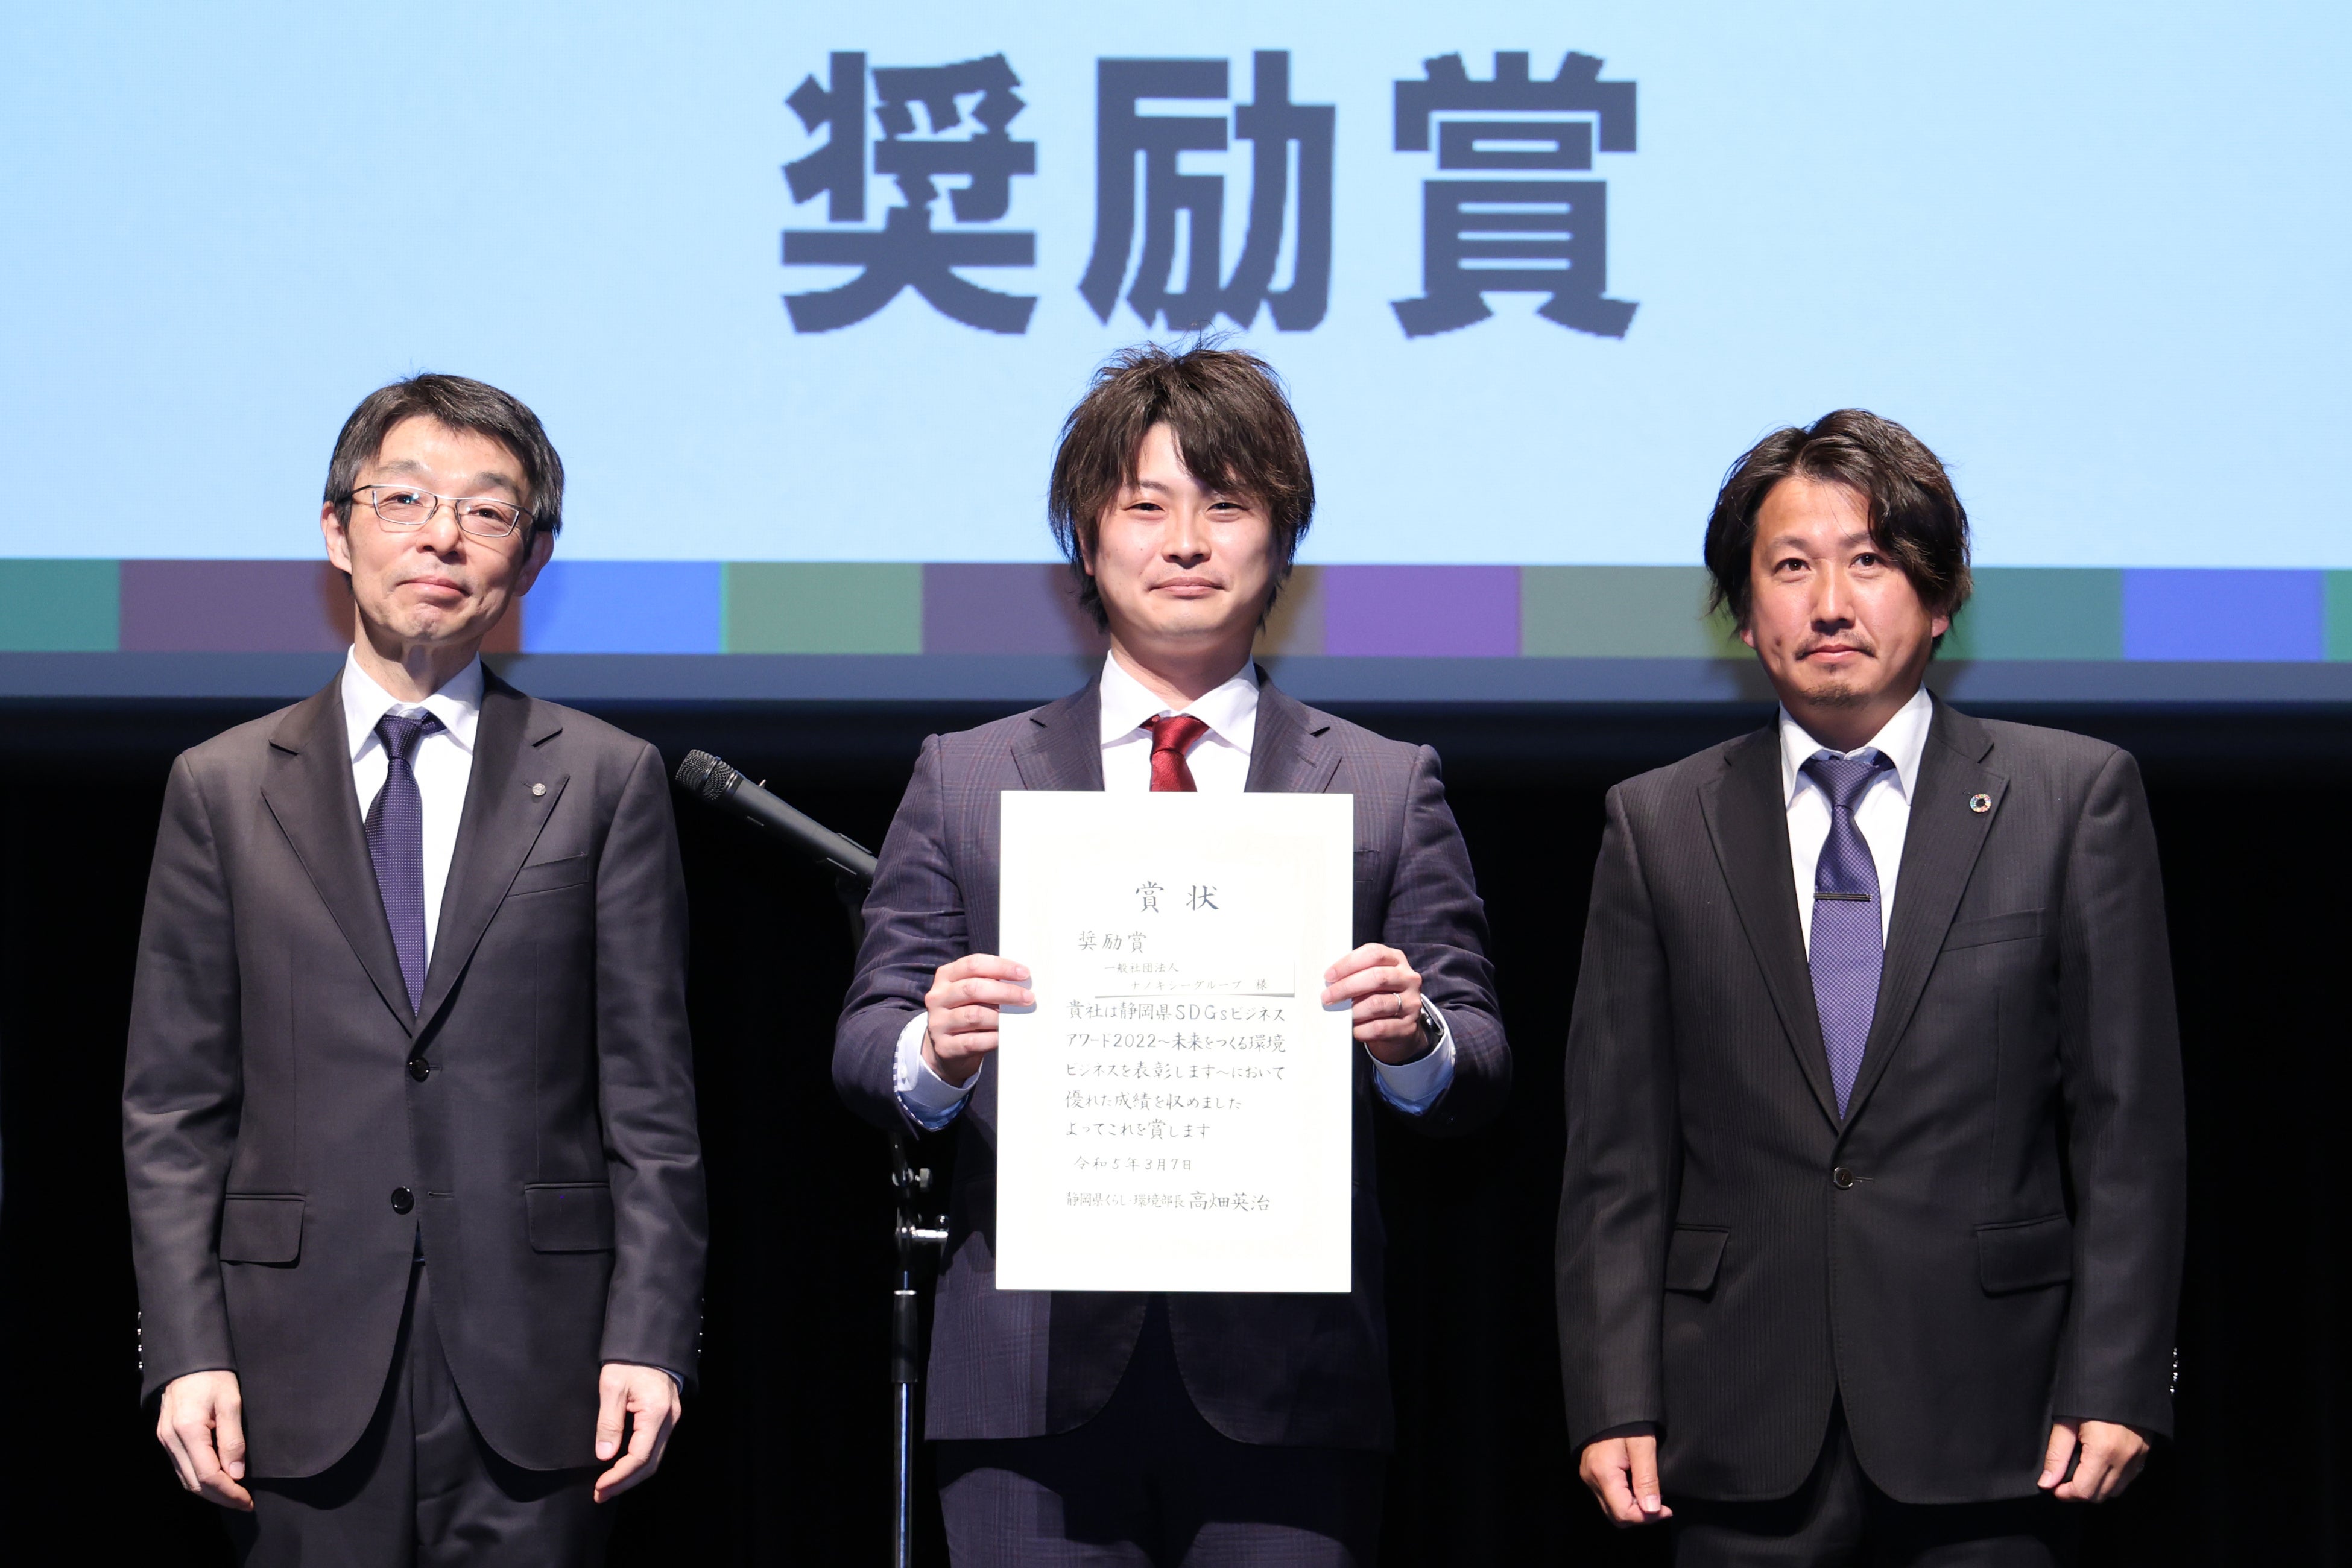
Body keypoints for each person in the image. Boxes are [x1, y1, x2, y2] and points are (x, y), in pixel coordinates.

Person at [833, 344, 1510, 1566]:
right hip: (1026, 1383)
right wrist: (934, 1048)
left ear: (1281, 544)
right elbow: (865, 1041)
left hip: (1291, 1387)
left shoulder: (1383, 783)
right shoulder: (967, 776)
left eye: (1227, 504)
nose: (1186, 541)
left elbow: (1478, 1060)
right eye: (1146, 506)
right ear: (1088, 543)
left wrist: (1414, 1041)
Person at [1555, 409, 2186, 1565]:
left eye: (1873, 561)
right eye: (1792, 567)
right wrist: (1612, 1397)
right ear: (1743, 612)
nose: (1832, 603)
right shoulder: (1657, 825)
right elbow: (1617, 1158)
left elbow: (2127, 1130)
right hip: (1736, 1421)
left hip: (1998, 1422)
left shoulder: (2072, 798)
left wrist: (2119, 1375)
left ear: (1940, 599)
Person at [122, 373, 707, 1564]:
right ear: (337, 531)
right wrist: (186, 1350)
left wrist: (650, 1336)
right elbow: (173, 1110)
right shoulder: (221, 788)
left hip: (541, 1369)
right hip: (288, 1369)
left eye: (487, 511)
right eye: (405, 499)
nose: (443, 536)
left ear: (530, 561)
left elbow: (651, 1103)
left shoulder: (604, 779)